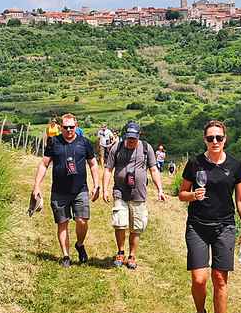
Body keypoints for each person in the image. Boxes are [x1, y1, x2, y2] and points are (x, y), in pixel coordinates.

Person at [178, 120, 241, 313]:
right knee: (199, 279)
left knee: (220, 279)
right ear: (205, 140)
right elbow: (181, 193)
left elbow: (240, 199)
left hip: (224, 227)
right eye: (210, 138)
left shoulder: (235, 166)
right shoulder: (194, 164)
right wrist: (193, 196)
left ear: (225, 138)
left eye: (219, 138)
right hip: (197, 226)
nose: (215, 142)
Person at [32, 113, 101, 267]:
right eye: (65, 127)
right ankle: (66, 256)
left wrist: (97, 184)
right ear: (60, 128)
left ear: (76, 126)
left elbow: (93, 164)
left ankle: (80, 244)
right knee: (62, 223)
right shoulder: (54, 142)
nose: (69, 130)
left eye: (71, 127)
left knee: (82, 221)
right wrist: (37, 185)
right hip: (59, 191)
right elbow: (44, 164)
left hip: (80, 190)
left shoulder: (84, 143)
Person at [103, 121, 166, 270]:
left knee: (136, 227)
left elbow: (154, 169)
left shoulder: (146, 148)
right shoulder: (116, 148)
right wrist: (105, 189)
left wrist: (160, 189)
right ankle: (120, 252)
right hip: (120, 192)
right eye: (129, 137)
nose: (131, 141)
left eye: (134, 138)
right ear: (125, 135)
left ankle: (132, 255)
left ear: (138, 136)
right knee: (119, 223)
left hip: (138, 194)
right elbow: (108, 169)